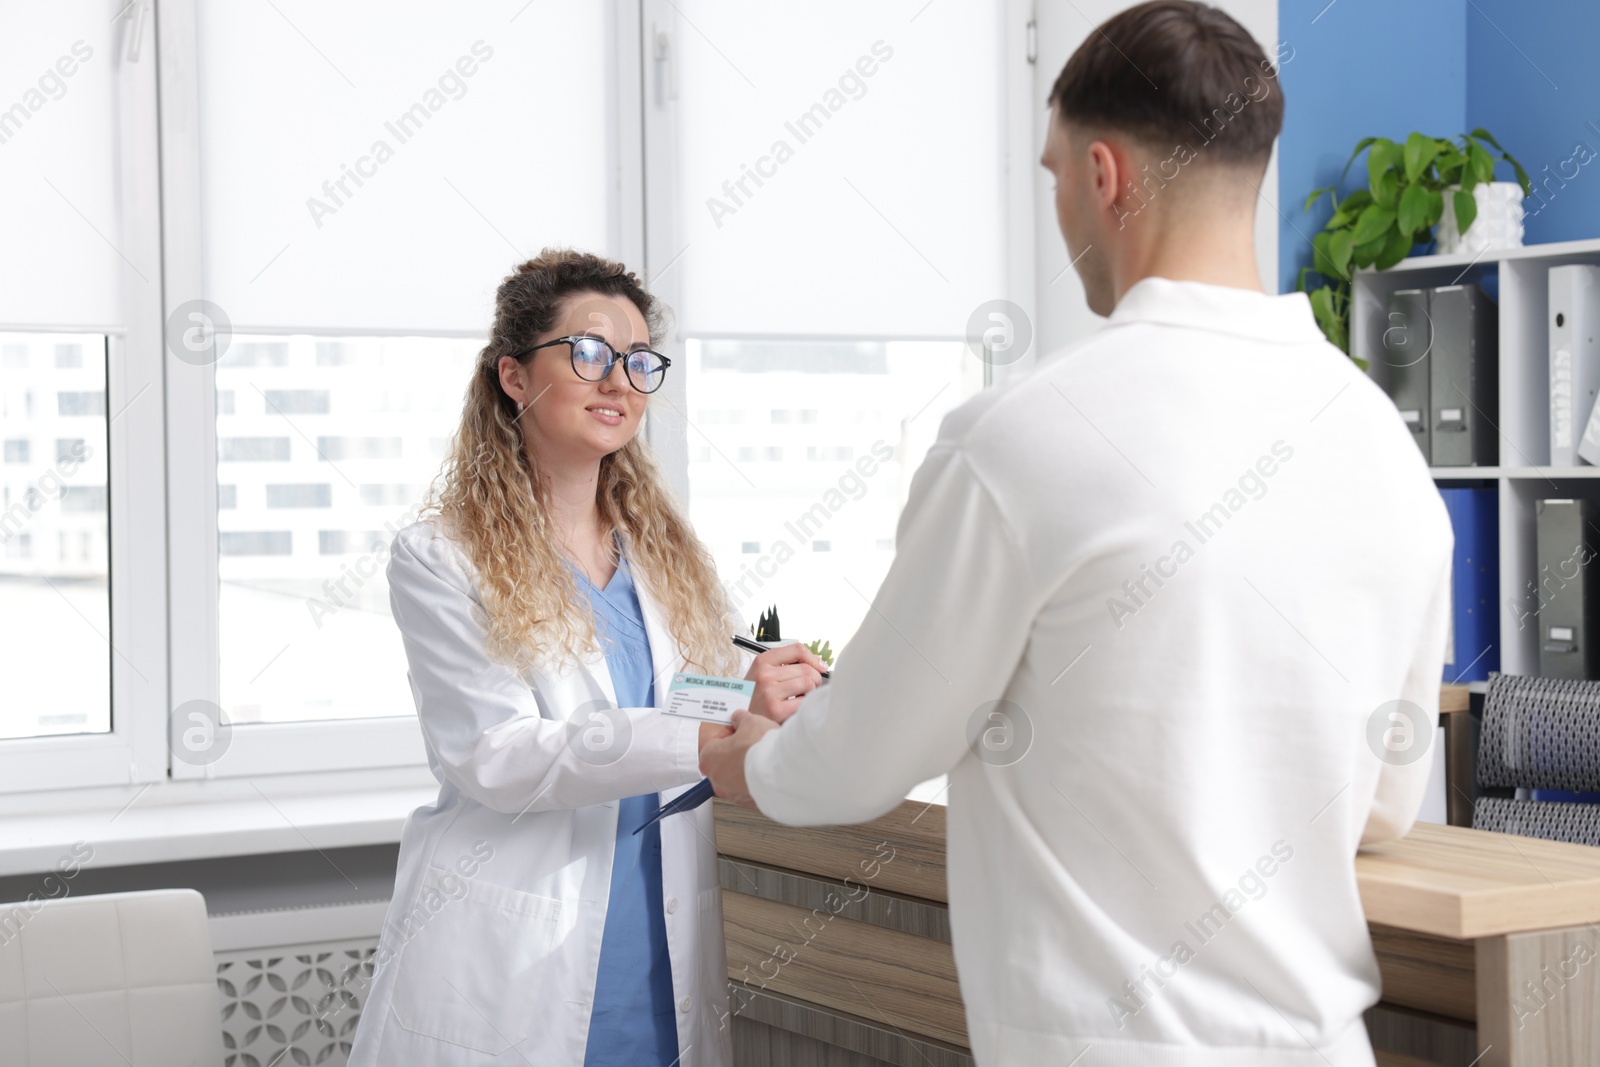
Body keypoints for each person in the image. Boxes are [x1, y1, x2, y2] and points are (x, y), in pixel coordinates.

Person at [700, 3, 1452, 1065]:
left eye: (1052, 176)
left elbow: (863, 753)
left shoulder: (1025, 435)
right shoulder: (1378, 442)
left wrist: (751, 765)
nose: (1058, 205)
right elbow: (1382, 800)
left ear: (1102, 177)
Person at [348, 249, 825, 1067]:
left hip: (658, 940)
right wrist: (708, 736)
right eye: (589, 353)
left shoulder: (666, 552)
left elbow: (693, 699)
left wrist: (751, 694)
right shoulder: (440, 556)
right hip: (516, 957)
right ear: (513, 376)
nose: (619, 381)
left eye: (639, 362)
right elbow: (494, 754)